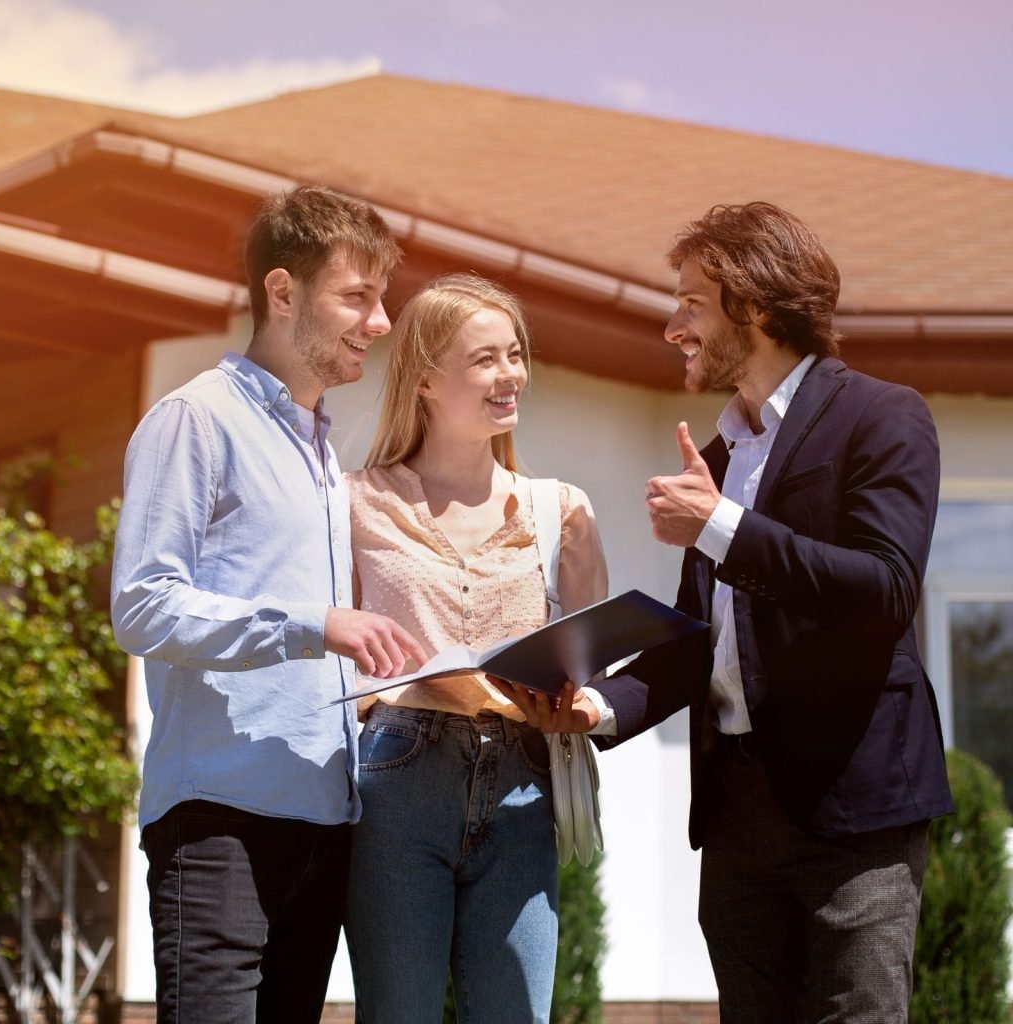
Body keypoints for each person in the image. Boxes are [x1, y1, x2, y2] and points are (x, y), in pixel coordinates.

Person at [501, 202, 954, 1024]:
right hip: (737, 813)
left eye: (690, 303)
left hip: (855, 809)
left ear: (754, 304)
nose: (673, 326)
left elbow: (884, 589)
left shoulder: (883, 417)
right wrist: (597, 706)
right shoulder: (715, 458)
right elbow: (696, 644)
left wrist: (720, 525)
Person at [110, 185, 426, 1024]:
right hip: (217, 828)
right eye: (357, 297)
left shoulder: (325, 454)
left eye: (380, 299)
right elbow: (142, 606)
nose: (381, 322)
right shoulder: (195, 421)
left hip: (325, 827)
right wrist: (309, 624)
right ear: (282, 293)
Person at [343, 273, 609, 1024]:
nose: (510, 376)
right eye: (486, 359)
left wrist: (581, 699)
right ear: (425, 377)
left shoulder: (563, 511)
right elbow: (323, 652)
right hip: (397, 778)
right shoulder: (353, 503)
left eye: (516, 356)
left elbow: (593, 659)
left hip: (523, 784)